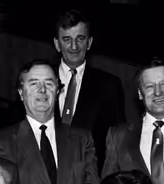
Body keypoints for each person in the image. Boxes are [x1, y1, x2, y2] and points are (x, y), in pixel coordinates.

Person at [51, 9, 126, 171]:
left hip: (91, 181)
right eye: (66, 39)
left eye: (80, 39)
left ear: (89, 42)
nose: (74, 46)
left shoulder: (109, 85)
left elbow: (119, 142)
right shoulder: (40, 79)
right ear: (57, 44)